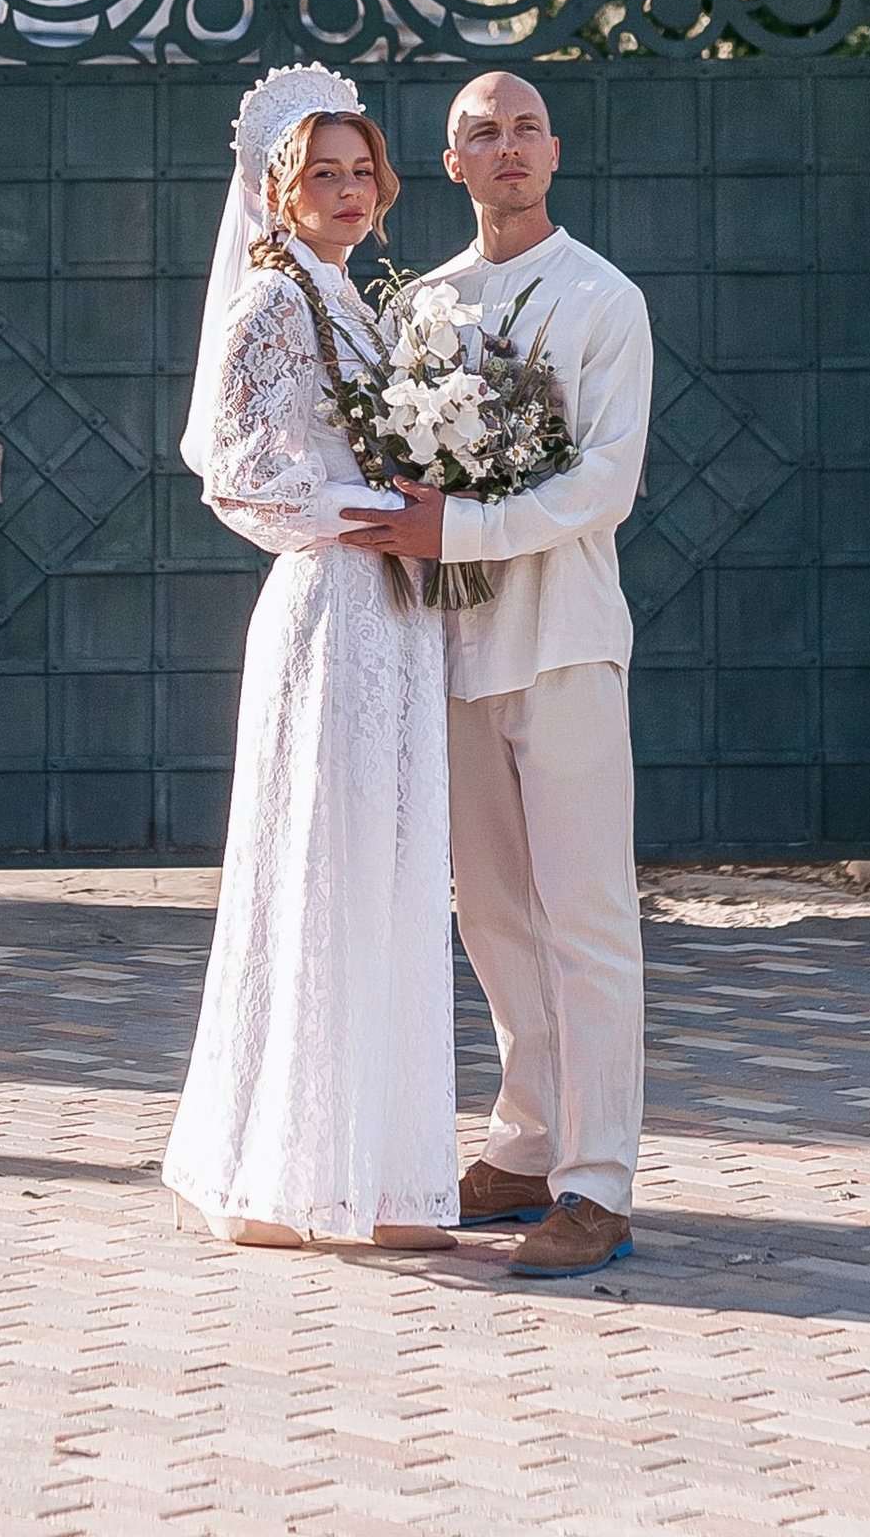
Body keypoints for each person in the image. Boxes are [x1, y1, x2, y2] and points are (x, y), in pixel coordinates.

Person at [343, 69, 652, 1282]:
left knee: (585, 917)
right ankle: (525, 1148)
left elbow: (603, 484)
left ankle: (598, 1182)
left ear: (554, 154)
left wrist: (459, 530)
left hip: (565, 638)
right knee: (494, 916)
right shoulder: (419, 305)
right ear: (453, 164)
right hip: (452, 646)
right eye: (482, 132)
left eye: (525, 128)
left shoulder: (601, 298)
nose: (507, 147)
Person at [162, 65, 459, 1252]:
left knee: (386, 875)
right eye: (320, 173)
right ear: (277, 191)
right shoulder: (273, 303)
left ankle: (376, 1175)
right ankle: (278, 1179)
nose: (346, 190)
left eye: (359, 171)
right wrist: (370, 506)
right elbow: (235, 473)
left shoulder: (361, 303)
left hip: (394, 610)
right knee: (320, 873)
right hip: (331, 605)